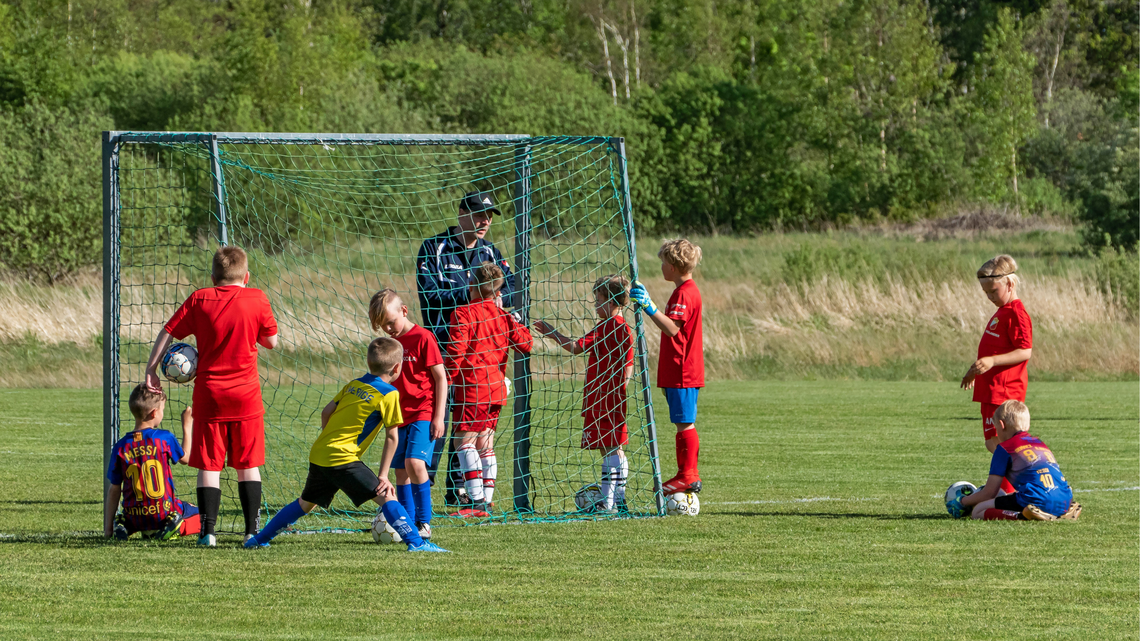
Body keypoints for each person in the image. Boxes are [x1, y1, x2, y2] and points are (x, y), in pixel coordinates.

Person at [243, 338, 448, 552]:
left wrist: (331, 439)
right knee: (387, 495)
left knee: (306, 503)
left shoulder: (354, 385)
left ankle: (259, 539)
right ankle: (416, 543)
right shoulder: (389, 394)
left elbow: (326, 412)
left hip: (321, 452)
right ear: (397, 368)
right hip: (343, 458)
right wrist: (384, 475)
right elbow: (392, 437)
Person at [143, 245, 278, 546]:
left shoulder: (199, 298)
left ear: (213, 276)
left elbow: (168, 331)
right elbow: (271, 341)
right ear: (246, 276)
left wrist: (152, 370)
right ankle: (251, 532)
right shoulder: (257, 297)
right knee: (247, 465)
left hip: (209, 396)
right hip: (246, 397)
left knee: (210, 466)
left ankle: (208, 533)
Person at [417, 191, 516, 506]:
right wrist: (475, 296)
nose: (484, 221)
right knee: (436, 419)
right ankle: (422, 486)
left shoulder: (491, 251)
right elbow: (430, 295)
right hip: (442, 350)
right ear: (460, 213)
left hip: (480, 358)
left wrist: (490, 300)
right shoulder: (434, 248)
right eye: (477, 214)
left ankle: (461, 492)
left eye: (488, 216)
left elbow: (512, 289)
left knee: (471, 429)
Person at [534, 275, 635, 513]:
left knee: (609, 449)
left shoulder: (607, 326)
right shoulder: (625, 328)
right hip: (614, 397)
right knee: (614, 447)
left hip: (602, 398)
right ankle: (618, 500)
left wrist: (551, 332)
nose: (595, 305)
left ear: (610, 301)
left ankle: (608, 503)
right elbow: (629, 366)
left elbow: (576, 347)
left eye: (598, 300)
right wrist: (621, 387)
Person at [445, 262, 533, 515]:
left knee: (464, 442)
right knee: (485, 444)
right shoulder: (503, 316)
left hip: (472, 389)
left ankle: (475, 501)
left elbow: (456, 353)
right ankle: (486, 499)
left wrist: (445, 379)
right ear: (497, 291)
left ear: (471, 285)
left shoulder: (463, 313)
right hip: (496, 389)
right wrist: (513, 319)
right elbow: (526, 344)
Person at [369, 288, 448, 540]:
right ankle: (406, 523)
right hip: (398, 415)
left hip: (423, 411)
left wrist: (438, 417)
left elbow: (441, 378)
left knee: (415, 463)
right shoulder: (389, 346)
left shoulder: (423, 338)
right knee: (401, 472)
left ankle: (424, 523)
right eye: (383, 326)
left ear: (404, 311)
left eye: (391, 323)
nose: (389, 330)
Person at [629, 239, 704, 495]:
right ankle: (686, 473)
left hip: (683, 369)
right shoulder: (683, 290)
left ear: (672, 266)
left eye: (663, 262)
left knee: (685, 423)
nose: (661, 267)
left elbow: (673, 329)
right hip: (678, 369)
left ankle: (688, 475)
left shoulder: (685, 293)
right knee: (682, 422)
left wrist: (649, 306)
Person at [960, 254, 1032, 495]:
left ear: (1009, 284)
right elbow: (991, 351)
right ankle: (1013, 492)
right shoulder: (1002, 310)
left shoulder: (1016, 313)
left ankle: (1029, 487)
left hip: (1005, 390)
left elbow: (1025, 351)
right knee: (994, 443)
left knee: (1004, 445)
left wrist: (991, 361)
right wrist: (974, 372)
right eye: (986, 293)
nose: (990, 297)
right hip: (990, 390)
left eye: (993, 291)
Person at [950, 400, 1081, 521]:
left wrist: (963, 501)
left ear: (1001, 425)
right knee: (1002, 494)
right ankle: (1061, 512)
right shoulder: (1039, 443)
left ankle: (1023, 516)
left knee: (978, 511)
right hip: (1065, 499)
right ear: (1027, 425)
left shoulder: (1004, 448)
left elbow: (990, 492)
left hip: (1037, 499)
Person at [104, 384, 201, 541]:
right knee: (204, 516)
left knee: (129, 517)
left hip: (134, 516)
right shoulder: (164, 438)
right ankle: (173, 524)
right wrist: (187, 425)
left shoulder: (121, 446)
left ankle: (123, 525)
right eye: (162, 409)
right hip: (163, 513)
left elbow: (114, 489)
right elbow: (186, 458)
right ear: (154, 413)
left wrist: (107, 529)